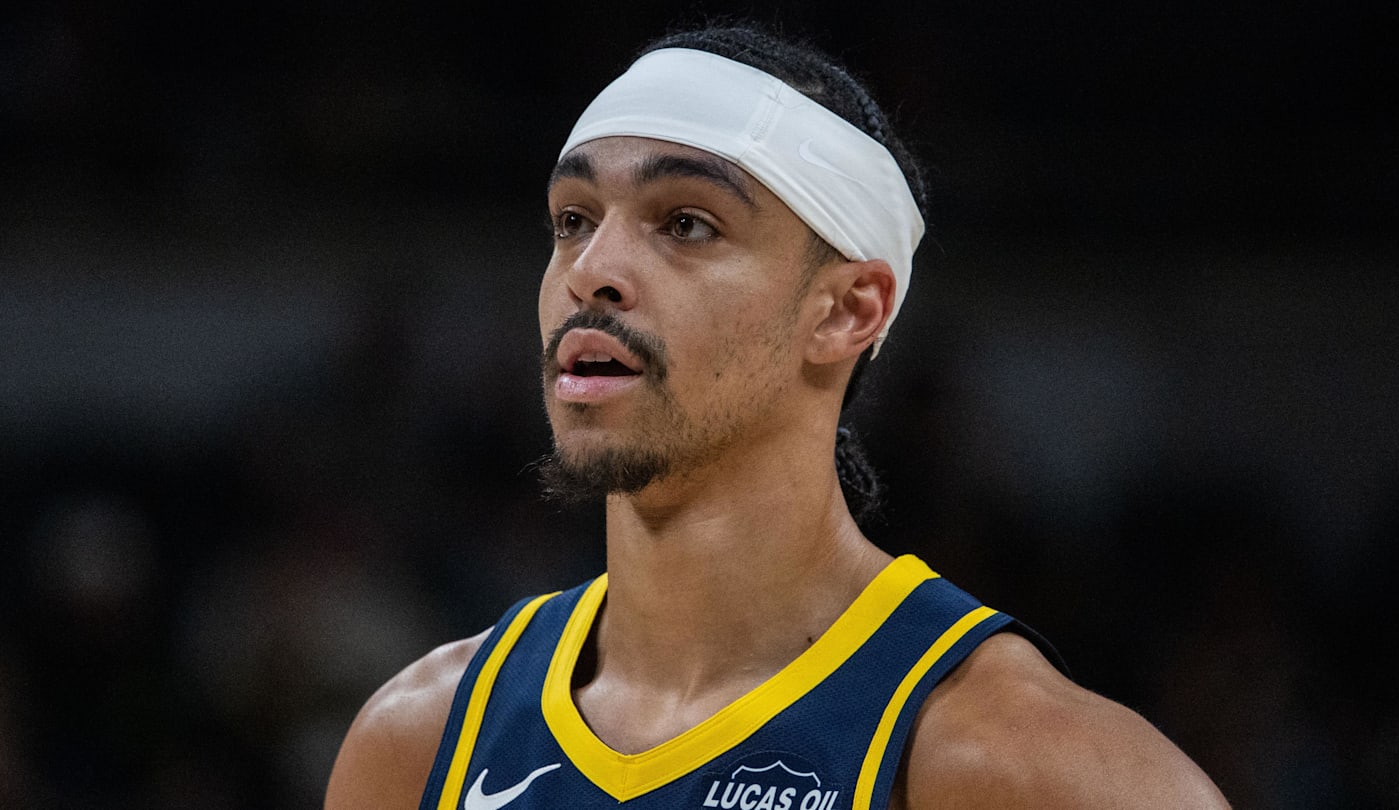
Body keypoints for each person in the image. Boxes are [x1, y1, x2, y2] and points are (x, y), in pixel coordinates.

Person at [325, 21, 1231, 809]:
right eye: (573, 219)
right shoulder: (420, 742)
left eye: (686, 223)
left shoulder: (1018, 761)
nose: (590, 270)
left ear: (847, 312)